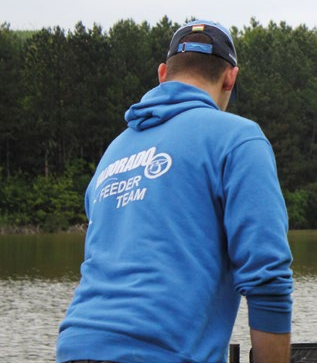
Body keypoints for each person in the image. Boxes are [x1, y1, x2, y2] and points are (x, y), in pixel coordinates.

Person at [57, 20, 294, 363]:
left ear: (163, 73)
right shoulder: (238, 138)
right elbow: (268, 280)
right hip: (160, 353)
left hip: (75, 346)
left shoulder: (114, 153)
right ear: (231, 78)